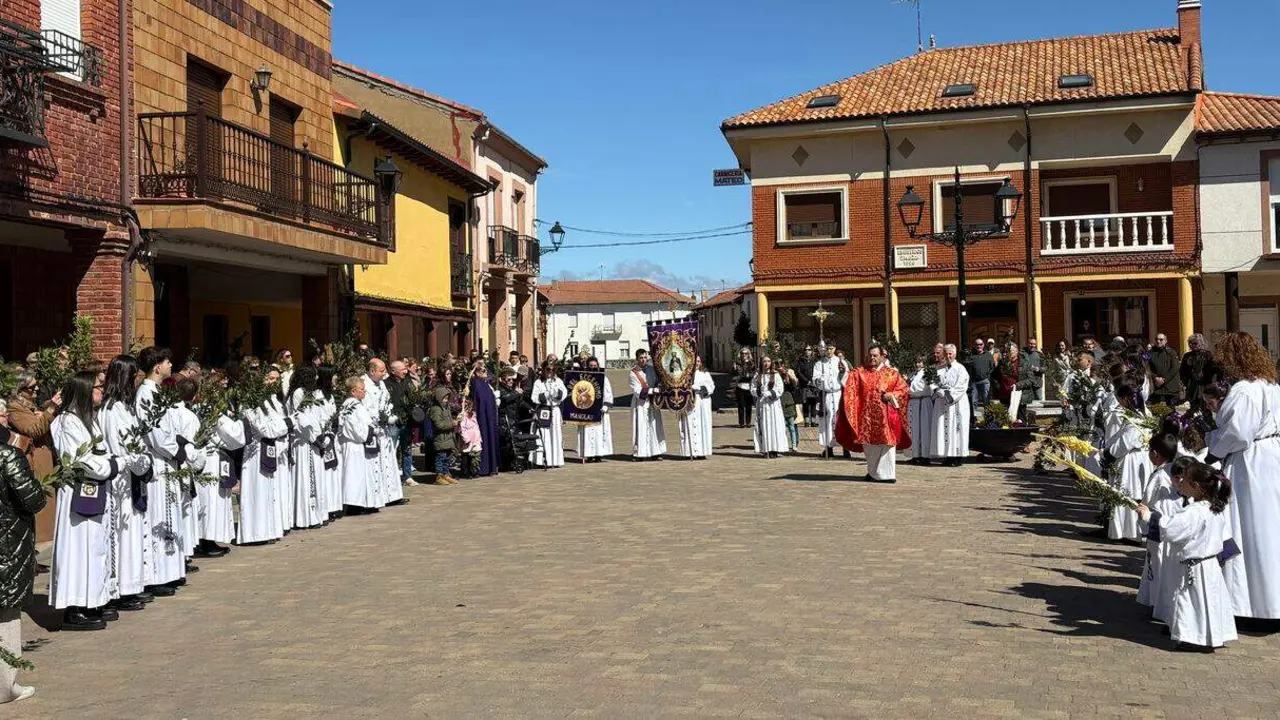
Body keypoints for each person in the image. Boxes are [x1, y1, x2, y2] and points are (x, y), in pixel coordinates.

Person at [51, 371, 134, 630]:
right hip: (77, 491)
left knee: (95, 546)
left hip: (95, 489)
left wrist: (110, 461)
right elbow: (84, 460)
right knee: (78, 548)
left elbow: (101, 451)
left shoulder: (89, 419)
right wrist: (115, 463)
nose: (102, 391)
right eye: (98, 387)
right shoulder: (68, 421)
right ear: (85, 389)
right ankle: (74, 607)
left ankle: (93, 599)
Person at [1205, 331, 1280, 621]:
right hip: (1271, 456)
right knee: (1270, 526)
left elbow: (1238, 433)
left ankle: (1250, 605)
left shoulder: (1244, 390)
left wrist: (1213, 445)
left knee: (1249, 528)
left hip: (1251, 463)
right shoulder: (1271, 385)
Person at [1137, 460, 1238, 651]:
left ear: (1196, 486)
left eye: (1185, 480)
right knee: (1209, 602)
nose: (1180, 481)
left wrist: (1148, 516)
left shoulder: (1194, 511)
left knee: (1191, 603)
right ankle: (1213, 635)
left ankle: (1193, 638)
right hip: (1209, 567)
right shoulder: (1213, 507)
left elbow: (1172, 528)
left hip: (1195, 567)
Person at [97, 356, 152, 609]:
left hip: (132, 474)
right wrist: (140, 461)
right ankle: (121, 588)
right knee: (122, 532)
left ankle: (132, 584)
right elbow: (122, 445)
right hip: (120, 477)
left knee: (131, 530)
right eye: (133, 376)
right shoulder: (112, 409)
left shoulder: (124, 406)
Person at [0, 439, 45, 702]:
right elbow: (33, 498)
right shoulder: (7, 456)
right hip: (7, 544)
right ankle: (5, 686)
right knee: (6, 614)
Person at [838, 344, 910, 483]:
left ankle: (887, 475)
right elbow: (848, 384)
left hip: (886, 418)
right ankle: (873, 472)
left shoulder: (892, 374)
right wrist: (842, 372)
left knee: (887, 445)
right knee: (869, 447)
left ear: (882, 357)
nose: (872, 358)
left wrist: (892, 394)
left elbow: (904, 390)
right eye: (870, 355)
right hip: (867, 417)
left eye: (875, 355)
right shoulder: (860, 372)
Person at [238, 367, 290, 544]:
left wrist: (283, 425)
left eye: (276, 380)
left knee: (269, 491)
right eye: (269, 380)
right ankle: (254, 533)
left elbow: (276, 423)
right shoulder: (249, 403)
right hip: (255, 451)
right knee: (256, 491)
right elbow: (266, 428)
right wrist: (288, 424)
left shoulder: (268, 402)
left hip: (269, 447)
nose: (273, 384)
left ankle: (268, 529)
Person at [1137, 434, 1182, 625]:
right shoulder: (1178, 470)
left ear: (1155, 454)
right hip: (1175, 519)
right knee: (1168, 563)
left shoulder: (1158, 475)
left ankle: (1158, 605)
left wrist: (1142, 513)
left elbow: (1148, 498)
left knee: (1157, 562)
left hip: (1159, 519)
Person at [1103, 377, 1151, 542]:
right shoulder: (1143, 413)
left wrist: (1109, 454)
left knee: (1130, 492)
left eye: (1119, 399)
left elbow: (1126, 441)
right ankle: (1125, 530)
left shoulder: (1137, 418)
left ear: (1125, 399)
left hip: (1132, 460)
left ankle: (1131, 532)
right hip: (1139, 458)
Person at [288, 366, 327, 529]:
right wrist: (313, 437)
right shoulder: (298, 393)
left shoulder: (314, 393)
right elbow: (301, 419)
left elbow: (319, 414)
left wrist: (323, 432)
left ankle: (318, 513)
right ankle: (305, 517)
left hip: (316, 439)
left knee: (316, 477)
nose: (317, 377)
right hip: (304, 442)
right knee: (306, 476)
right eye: (314, 375)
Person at [362, 359, 405, 506]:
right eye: (381, 371)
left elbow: (386, 401)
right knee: (376, 465)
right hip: (372, 430)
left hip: (384, 429)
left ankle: (392, 495)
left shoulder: (381, 384)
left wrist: (389, 415)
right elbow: (365, 408)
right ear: (372, 371)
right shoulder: (363, 384)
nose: (384, 374)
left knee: (388, 461)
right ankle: (378, 496)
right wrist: (380, 417)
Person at [341, 377, 384, 509]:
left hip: (360, 444)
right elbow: (355, 427)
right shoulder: (351, 406)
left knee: (362, 475)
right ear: (353, 391)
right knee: (354, 475)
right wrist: (371, 430)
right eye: (362, 389)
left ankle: (364, 503)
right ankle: (354, 505)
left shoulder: (357, 404)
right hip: (353, 444)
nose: (365, 391)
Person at [931, 344, 970, 467]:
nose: (948, 356)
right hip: (943, 404)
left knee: (956, 430)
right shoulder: (940, 369)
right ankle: (948, 455)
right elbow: (933, 382)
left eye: (950, 354)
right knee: (945, 429)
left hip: (956, 404)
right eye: (946, 354)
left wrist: (947, 393)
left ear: (954, 354)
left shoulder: (960, 369)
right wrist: (936, 389)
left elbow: (961, 386)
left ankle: (958, 457)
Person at [630, 349, 666, 460]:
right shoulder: (633, 372)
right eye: (641, 357)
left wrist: (659, 388)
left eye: (645, 357)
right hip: (640, 403)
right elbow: (637, 390)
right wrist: (652, 391)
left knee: (654, 426)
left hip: (653, 401)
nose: (643, 360)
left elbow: (658, 382)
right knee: (640, 426)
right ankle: (639, 453)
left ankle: (656, 452)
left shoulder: (652, 369)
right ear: (637, 359)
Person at [384, 360, 416, 487]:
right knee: (391, 449)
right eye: (402, 369)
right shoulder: (385, 384)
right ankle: (391, 476)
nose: (405, 371)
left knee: (407, 449)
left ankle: (407, 476)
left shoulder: (407, 382)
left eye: (405, 369)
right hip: (393, 421)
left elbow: (413, 397)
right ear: (393, 371)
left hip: (406, 421)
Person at [812, 343, 846, 459]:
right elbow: (815, 379)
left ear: (835, 349)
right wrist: (819, 380)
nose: (829, 351)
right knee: (827, 421)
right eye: (827, 349)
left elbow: (847, 376)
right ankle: (828, 448)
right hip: (826, 395)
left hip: (838, 394)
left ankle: (845, 448)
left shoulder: (840, 361)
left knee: (840, 421)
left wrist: (843, 373)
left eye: (831, 348)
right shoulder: (819, 364)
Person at [531, 361, 567, 468]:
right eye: (547, 369)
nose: (549, 372)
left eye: (552, 370)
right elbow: (534, 397)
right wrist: (546, 395)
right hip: (544, 410)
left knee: (555, 434)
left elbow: (564, 393)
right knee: (545, 434)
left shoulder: (558, 381)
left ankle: (556, 460)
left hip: (555, 410)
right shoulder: (538, 382)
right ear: (544, 370)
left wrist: (557, 394)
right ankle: (544, 460)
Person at [751, 356, 788, 459]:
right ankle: (765, 449)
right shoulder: (758, 375)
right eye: (764, 361)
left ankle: (775, 449)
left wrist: (771, 393)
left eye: (768, 361)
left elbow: (780, 388)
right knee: (764, 425)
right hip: (762, 404)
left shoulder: (775, 375)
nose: (766, 363)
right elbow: (753, 388)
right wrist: (759, 392)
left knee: (774, 425)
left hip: (774, 404)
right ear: (761, 363)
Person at [577, 357, 613, 463]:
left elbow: (608, 392)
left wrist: (605, 406)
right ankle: (588, 455)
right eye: (591, 366)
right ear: (587, 367)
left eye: (595, 366)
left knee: (599, 432)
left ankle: (598, 454)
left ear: (598, 366)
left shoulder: (603, 378)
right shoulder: (583, 378)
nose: (593, 368)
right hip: (587, 410)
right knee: (587, 433)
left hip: (599, 410)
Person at [680, 356, 716, 459]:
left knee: (702, 426)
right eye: (695, 361)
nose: (697, 363)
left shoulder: (705, 373)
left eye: (699, 361)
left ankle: (701, 452)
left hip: (702, 403)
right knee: (690, 425)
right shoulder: (686, 374)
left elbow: (711, 386)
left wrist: (700, 388)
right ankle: (688, 452)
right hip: (690, 403)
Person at [469, 363, 501, 477]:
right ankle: (482, 467)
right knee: (482, 440)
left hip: (490, 418)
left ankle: (492, 466)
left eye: (485, 370)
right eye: (483, 371)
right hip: (481, 418)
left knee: (491, 439)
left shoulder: (486, 384)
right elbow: (476, 400)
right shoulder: (475, 384)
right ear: (477, 373)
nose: (485, 372)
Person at [990, 343, 1042, 412]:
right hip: (1005, 396)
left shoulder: (1024, 363)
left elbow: (1031, 379)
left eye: (1011, 350)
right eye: (1007, 351)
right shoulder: (1002, 363)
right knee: (1006, 420)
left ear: (1017, 351)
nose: (1009, 352)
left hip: (1019, 396)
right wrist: (998, 386)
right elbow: (994, 376)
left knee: (1020, 421)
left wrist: (1017, 385)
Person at [905, 353, 935, 465]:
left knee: (924, 429)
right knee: (914, 429)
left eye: (920, 362)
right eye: (916, 362)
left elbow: (931, 388)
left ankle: (925, 456)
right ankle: (915, 454)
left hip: (923, 401)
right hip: (913, 402)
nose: (918, 364)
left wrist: (916, 392)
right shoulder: (913, 374)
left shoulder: (927, 373)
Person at [1181, 333, 1221, 412]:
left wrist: (1211, 384)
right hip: (1191, 385)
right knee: (1192, 406)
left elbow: (1213, 371)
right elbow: (1182, 371)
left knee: (1205, 407)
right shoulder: (1187, 356)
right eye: (1191, 343)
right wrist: (1184, 383)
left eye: (1195, 343)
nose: (1193, 345)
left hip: (1204, 385)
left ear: (1201, 343)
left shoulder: (1208, 355)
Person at [427, 386, 458, 483]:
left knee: (447, 457)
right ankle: (439, 476)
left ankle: (446, 473)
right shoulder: (436, 409)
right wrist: (451, 424)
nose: (446, 400)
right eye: (444, 398)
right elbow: (439, 425)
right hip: (440, 438)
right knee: (440, 457)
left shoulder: (446, 408)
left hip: (448, 438)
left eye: (447, 398)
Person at [1147, 333, 1183, 407]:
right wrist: (1155, 378)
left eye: (1161, 339)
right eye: (1157, 339)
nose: (1158, 341)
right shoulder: (1151, 353)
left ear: (1166, 341)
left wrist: (1164, 379)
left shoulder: (1171, 352)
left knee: (1171, 412)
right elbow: (1147, 368)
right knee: (1155, 410)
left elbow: (1175, 368)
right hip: (1156, 388)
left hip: (1170, 387)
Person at [457, 397, 482, 478]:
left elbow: (476, 426)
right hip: (467, 438)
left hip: (475, 438)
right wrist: (466, 438)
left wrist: (478, 437)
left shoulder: (473, 415)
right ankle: (465, 471)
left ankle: (473, 470)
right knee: (465, 456)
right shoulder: (462, 415)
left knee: (474, 455)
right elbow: (462, 428)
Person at [968, 338, 994, 408]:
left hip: (985, 381)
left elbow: (992, 367)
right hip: (974, 382)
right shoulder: (970, 355)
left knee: (986, 400)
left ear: (983, 345)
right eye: (977, 344)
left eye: (980, 344)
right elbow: (967, 368)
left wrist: (987, 376)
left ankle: (987, 417)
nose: (979, 346)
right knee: (974, 401)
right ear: (974, 345)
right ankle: (975, 417)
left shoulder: (988, 355)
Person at [732, 348, 754, 428]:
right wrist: (734, 369)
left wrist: (748, 376)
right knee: (741, 405)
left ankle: (748, 422)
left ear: (748, 354)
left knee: (749, 406)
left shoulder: (751, 363)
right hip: (740, 386)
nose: (744, 355)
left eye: (746, 353)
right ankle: (741, 423)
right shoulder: (737, 363)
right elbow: (733, 374)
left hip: (748, 387)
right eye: (742, 353)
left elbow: (753, 374)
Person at [797, 346, 817, 427]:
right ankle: (806, 421)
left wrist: (814, 381)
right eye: (805, 349)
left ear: (812, 351)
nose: (807, 351)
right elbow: (798, 372)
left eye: (809, 350)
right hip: (804, 385)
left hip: (814, 385)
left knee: (813, 403)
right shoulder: (800, 361)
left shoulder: (815, 361)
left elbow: (818, 371)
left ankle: (813, 421)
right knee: (805, 403)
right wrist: (806, 381)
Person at [781, 364, 799, 452]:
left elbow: (794, 385)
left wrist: (789, 376)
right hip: (780, 405)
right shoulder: (776, 378)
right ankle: (784, 444)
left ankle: (794, 445)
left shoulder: (789, 380)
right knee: (782, 427)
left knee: (792, 426)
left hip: (789, 404)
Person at [1023, 338, 1045, 404]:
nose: (1032, 345)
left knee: (1039, 401)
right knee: (1026, 401)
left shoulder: (1040, 354)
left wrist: (1039, 369)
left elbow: (1046, 368)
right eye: (1030, 344)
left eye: (1034, 344)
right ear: (1027, 344)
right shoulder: (1022, 354)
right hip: (1026, 382)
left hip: (1037, 381)